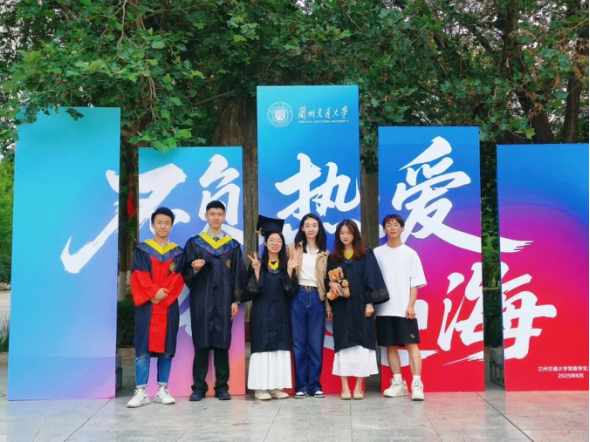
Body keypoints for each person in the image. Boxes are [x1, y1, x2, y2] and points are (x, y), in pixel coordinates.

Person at [182, 200, 246, 401]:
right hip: (202, 299)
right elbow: (185, 272)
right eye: (212, 214)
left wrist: (235, 300)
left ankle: (222, 387)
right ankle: (198, 388)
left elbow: (238, 275)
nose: (216, 217)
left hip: (225, 299)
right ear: (206, 216)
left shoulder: (232, 245)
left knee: (222, 343)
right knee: (201, 343)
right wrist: (195, 269)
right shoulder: (195, 243)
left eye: (219, 214)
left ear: (224, 216)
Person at [127, 207, 185, 408]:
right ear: (152, 224)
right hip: (147, 307)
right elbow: (138, 275)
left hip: (167, 307)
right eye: (159, 222)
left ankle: (162, 389)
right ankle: (141, 391)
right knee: (143, 348)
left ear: (171, 226)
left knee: (167, 348)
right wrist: (153, 293)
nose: (163, 226)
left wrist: (162, 295)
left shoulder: (178, 253)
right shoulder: (143, 250)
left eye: (167, 223)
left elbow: (178, 277)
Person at [328, 220, 389, 400]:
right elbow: (327, 280)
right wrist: (330, 283)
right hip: (342, 307)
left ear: (355, 234)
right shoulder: (334, 258)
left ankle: (358, 387)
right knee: (343, 345)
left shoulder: (365, 254)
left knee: (362, 346)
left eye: (349, 232)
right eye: (342, 233)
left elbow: (373, 279)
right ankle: (344, 388)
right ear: (338, 236)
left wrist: (370, 303)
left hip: (362, 306)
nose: (345, 236)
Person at [243, 216, 301, 401]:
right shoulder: (257, 264)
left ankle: (276, 387)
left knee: (279, 350)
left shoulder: (286, 265)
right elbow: (251, 292)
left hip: (281, 314)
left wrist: (290, 271)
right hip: (261, 314)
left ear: (282, 244)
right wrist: (257, 272)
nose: (275, 244)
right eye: (272, 240)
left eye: (279, 241)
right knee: (262, 349)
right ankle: (260, 388)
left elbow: (291, 292)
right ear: (266, 243)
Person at [374, 214, 427, 401]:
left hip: (404, 309)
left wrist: (411, 305)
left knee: (412, 345)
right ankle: (398, 383)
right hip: (383, 309)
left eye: (396, 224)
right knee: (390, 346)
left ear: (402, 228)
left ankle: (417, 384)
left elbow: (415, 283)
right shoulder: (377, 253)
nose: (392, 228)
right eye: (388, 225)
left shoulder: (410, 253)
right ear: (384, 230)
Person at [287, 214, 331, 399]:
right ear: (302, 228)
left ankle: (314, 385)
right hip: (297, 295)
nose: (311, 229)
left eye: (314, 225)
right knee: (298, 344)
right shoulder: (292, 248)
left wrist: (328, 306)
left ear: (319, 228)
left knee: (315, 343)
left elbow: (327, 282)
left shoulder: (325, 253)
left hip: (317, 296)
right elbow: (283, 274)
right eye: (307, 225)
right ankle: (301, 386)